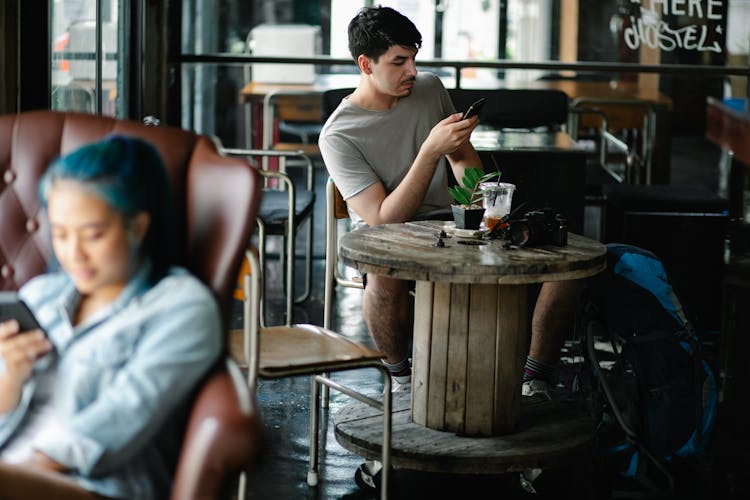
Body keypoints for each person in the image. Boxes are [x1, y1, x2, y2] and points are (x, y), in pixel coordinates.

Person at [319, 6, 582, 399]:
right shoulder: (338, 135)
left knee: (568, 265)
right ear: (365, 64)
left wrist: (491, 208)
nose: (412, 70)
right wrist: (429, 153)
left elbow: (462, 165)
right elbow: (381, 220)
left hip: (453, 221)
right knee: (384, 275)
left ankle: (534, 377)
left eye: (413, 58)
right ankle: (402, 378)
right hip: (388, 236)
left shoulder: (427, 88)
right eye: (399, 61)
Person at [0, 136, 222, 499]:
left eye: (93, 235)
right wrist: (11, 378)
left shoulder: (181, 308)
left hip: (91, 485)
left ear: (137, 227)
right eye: (60, 234)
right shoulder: (39, 296)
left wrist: (15, 474)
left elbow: (120, 419)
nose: (74, 254)